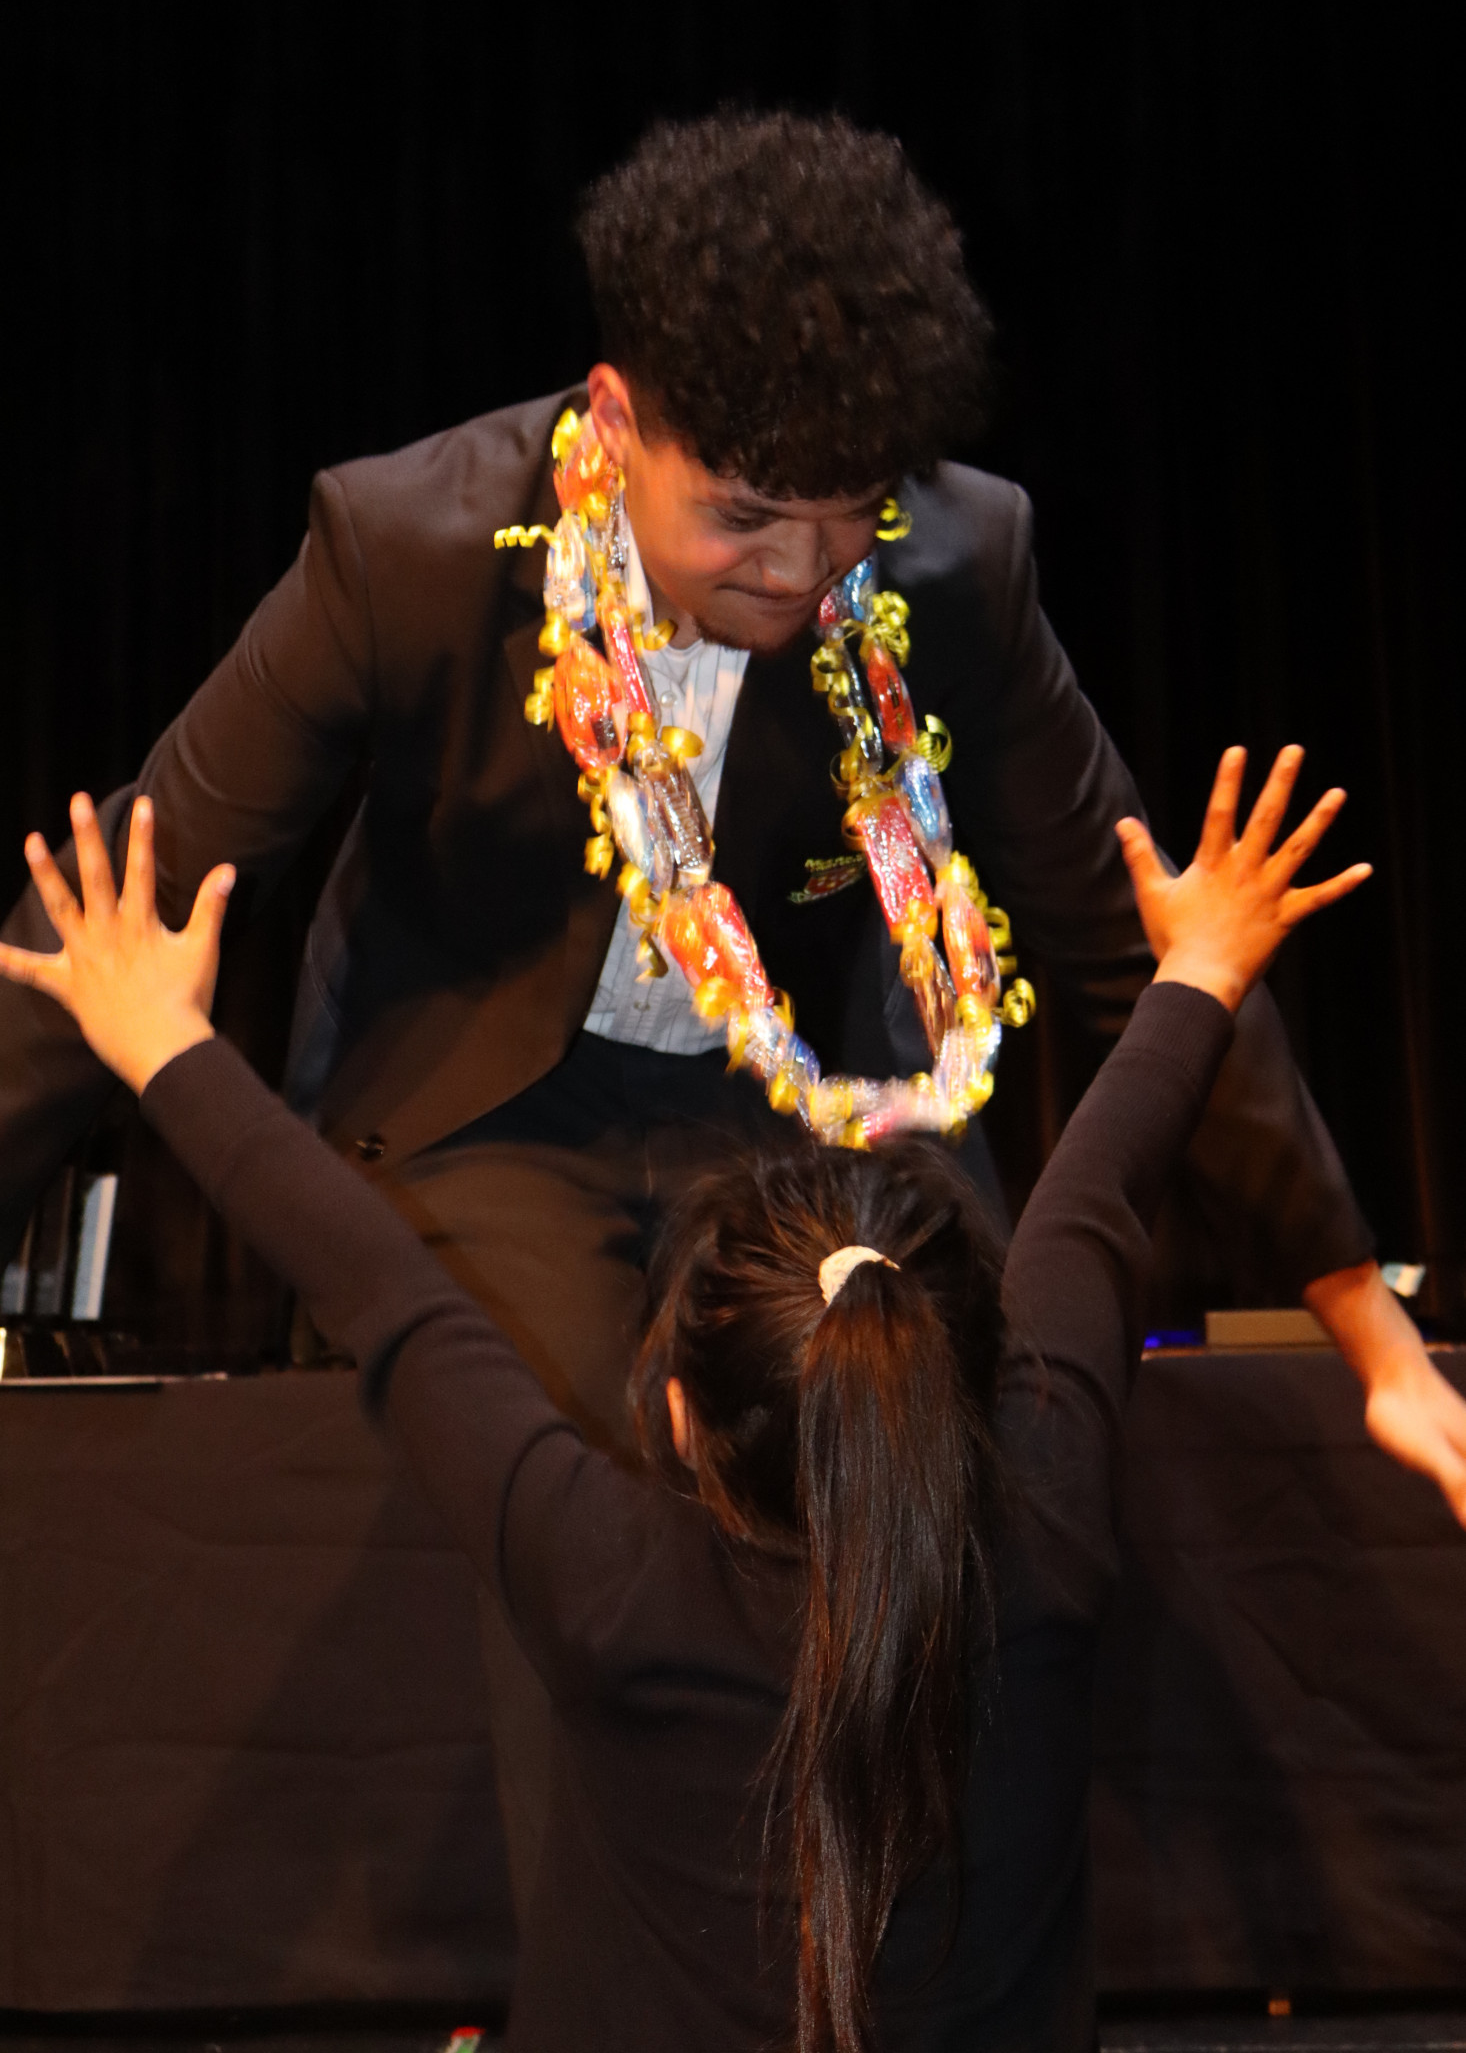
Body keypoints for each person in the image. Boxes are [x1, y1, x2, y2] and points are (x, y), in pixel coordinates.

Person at [2, 112, 1463, 1909]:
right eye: (745, 516)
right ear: (616, 422)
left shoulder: (950, 562)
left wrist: (1369, 1334)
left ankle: (926, 1950)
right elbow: (106, 920)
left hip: (807, 1111)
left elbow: (1142, 942)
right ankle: (639, 1974)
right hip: (487, 1110)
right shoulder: (407, 544)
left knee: (956, 1412)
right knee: (612, 1460)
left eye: (845, 518)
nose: (797, 570)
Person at [0, 745, 1376, 2051]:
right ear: (959, 1372)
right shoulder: (1048, 1527)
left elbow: (384, 1289)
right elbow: (1094, 1200)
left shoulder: (612, 1587)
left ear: (674, 1415)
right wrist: (1203, 965)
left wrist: (154, 1038)